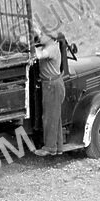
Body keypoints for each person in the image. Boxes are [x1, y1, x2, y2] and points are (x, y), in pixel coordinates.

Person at [33, 28, 64, 156]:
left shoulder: (51, 48)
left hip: (51, 85)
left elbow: (39, 55)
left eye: (42, 35)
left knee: (49, 117)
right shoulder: (50, 46)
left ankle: (49, 148)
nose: (40, 37)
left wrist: (31, 45)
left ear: (50, 37)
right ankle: (58, 147)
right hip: (52, 84)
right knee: (55, 117)